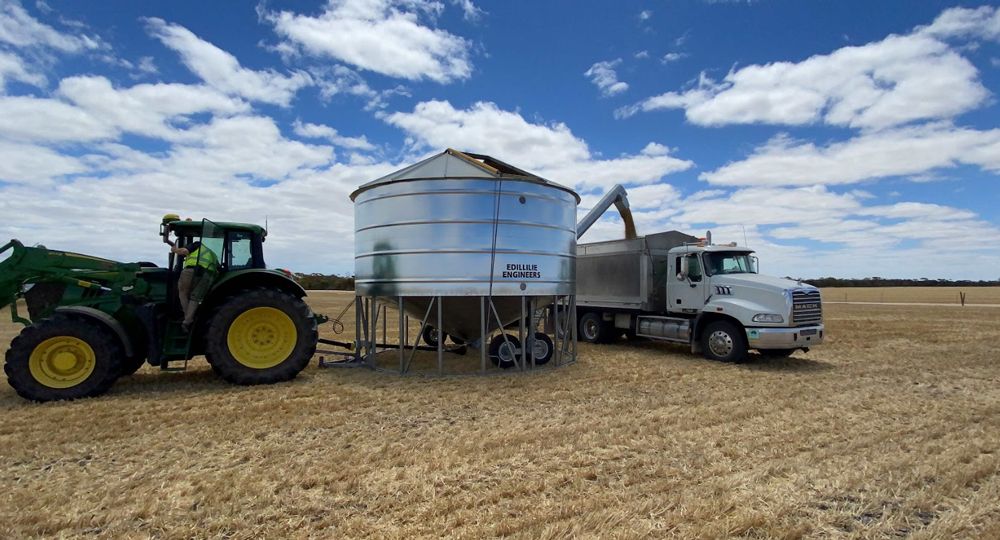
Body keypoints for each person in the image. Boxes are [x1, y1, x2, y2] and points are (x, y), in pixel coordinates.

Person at [171, 240, 218, 331]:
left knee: (183, 293)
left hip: (191, 271)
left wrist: (175, 250)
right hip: (207, 276)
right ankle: (187, 322)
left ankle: (187, 317)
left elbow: (184, 251)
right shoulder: (213, 254)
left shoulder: (197, 245)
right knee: (195, 297)